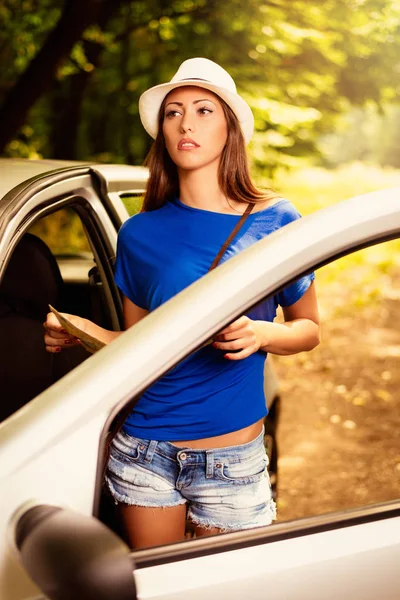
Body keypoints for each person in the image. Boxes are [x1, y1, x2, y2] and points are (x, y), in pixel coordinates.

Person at [44, 57, 320, 549]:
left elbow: (308, 329)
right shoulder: (138, 233)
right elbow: (139, 347)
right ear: (163, 132)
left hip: (230, 460)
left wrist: (262, 334)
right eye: (173, 113)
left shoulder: (276, 220)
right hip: (142, 452)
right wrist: (79, 331)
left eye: (203, 110)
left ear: (230, 129)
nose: (186, 123)